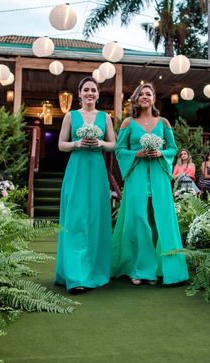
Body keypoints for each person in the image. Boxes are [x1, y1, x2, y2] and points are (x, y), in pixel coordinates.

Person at [112, 82, 188, 286]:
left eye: (149, 94)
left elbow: (173, 149)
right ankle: (140, 268)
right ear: (136, 99)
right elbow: (119, 150)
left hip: (158, 176)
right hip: (136, 175)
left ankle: (162, 268)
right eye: (141, 94)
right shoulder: (128, 123)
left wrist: (160, 152)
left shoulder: (163, 123)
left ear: (154, 98)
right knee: (138, 219)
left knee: (159, 219)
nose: (145, 97)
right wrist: (136, 153)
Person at [55, 77, 116, 294]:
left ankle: (94, 269)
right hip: (77, 170)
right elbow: (61, 144)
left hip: (97, 172)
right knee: (76, 218)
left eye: (94, 90)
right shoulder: (70, 116)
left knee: (95, 219)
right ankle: (75, 275)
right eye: (86, 90)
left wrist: (100, 142)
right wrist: (76, 143)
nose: (90, 93)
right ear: (79, 94)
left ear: (98, 94)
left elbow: (113, 144)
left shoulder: (105, 117)